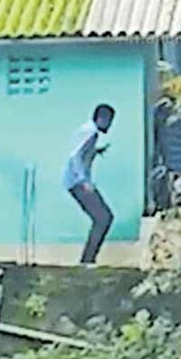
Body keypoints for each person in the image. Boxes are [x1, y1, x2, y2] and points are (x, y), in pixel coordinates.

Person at [62, 104, 115, 266]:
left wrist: (96, 151)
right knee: (103, 218)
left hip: (75, 181)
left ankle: (88, 259)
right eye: (109, 121)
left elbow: (80, 151)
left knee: (102, 218)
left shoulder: (88, 131)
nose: (110, 126)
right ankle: (87, 260)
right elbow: (75, 156)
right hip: (78, 182)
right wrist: (84, 180)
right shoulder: (90, 132)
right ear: (101, 119)